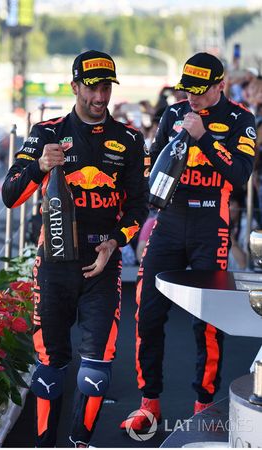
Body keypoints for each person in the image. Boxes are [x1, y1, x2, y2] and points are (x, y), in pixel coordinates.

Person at [2, 49, 149, 447]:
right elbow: (9, 196)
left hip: (103, 264)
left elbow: (139, 206)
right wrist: (40, 168)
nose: (100, 97)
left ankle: (80, 442)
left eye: (105, 87)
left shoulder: (130, 140)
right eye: (92, 87)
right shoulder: (46, 132)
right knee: (49, 370)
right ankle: (45, 444)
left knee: (96, 372)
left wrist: (116, 242)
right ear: (74, 86)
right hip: (53, 265)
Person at [120, 52, 257, 432]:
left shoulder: (241, 119)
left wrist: (204, 138)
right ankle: (149, 402)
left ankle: (203, 406)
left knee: (207, 323)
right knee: (146, 312)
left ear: (220, 86)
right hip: (169, 220)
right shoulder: (171, 113)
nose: (192, 99)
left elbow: (242, 174)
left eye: (200, 91)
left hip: (210, 224)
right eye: (188, 91)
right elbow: (152, 163)